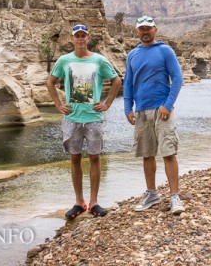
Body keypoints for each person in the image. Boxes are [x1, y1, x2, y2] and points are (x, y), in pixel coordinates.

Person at [46, 24, 121, 219]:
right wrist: (58, 104)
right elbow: (50, 82)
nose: (80, 39)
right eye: (77, 36)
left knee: (95, 158)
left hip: (93, 118)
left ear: (88, 38)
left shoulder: (99, 60)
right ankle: (79, 202)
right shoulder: (64, 60)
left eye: (83, 36)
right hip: (72, 118)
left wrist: (107, 104)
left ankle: (94, 202)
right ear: (72, 39)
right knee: (75, 158)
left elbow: (117, 80)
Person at [123, 15, 185, 215]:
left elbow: (177, 78)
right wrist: (127, 108)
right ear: (137, 31)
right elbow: (128, 83)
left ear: (155, 29)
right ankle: (152, 194)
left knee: (168, 152)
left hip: (162, 110)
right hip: (140, 111)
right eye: (142, 28)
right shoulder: (133, 54)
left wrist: (168, 105)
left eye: (148, 28)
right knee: (147, 154)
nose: (145, 31)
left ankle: (174, 196)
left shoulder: (165, 51)